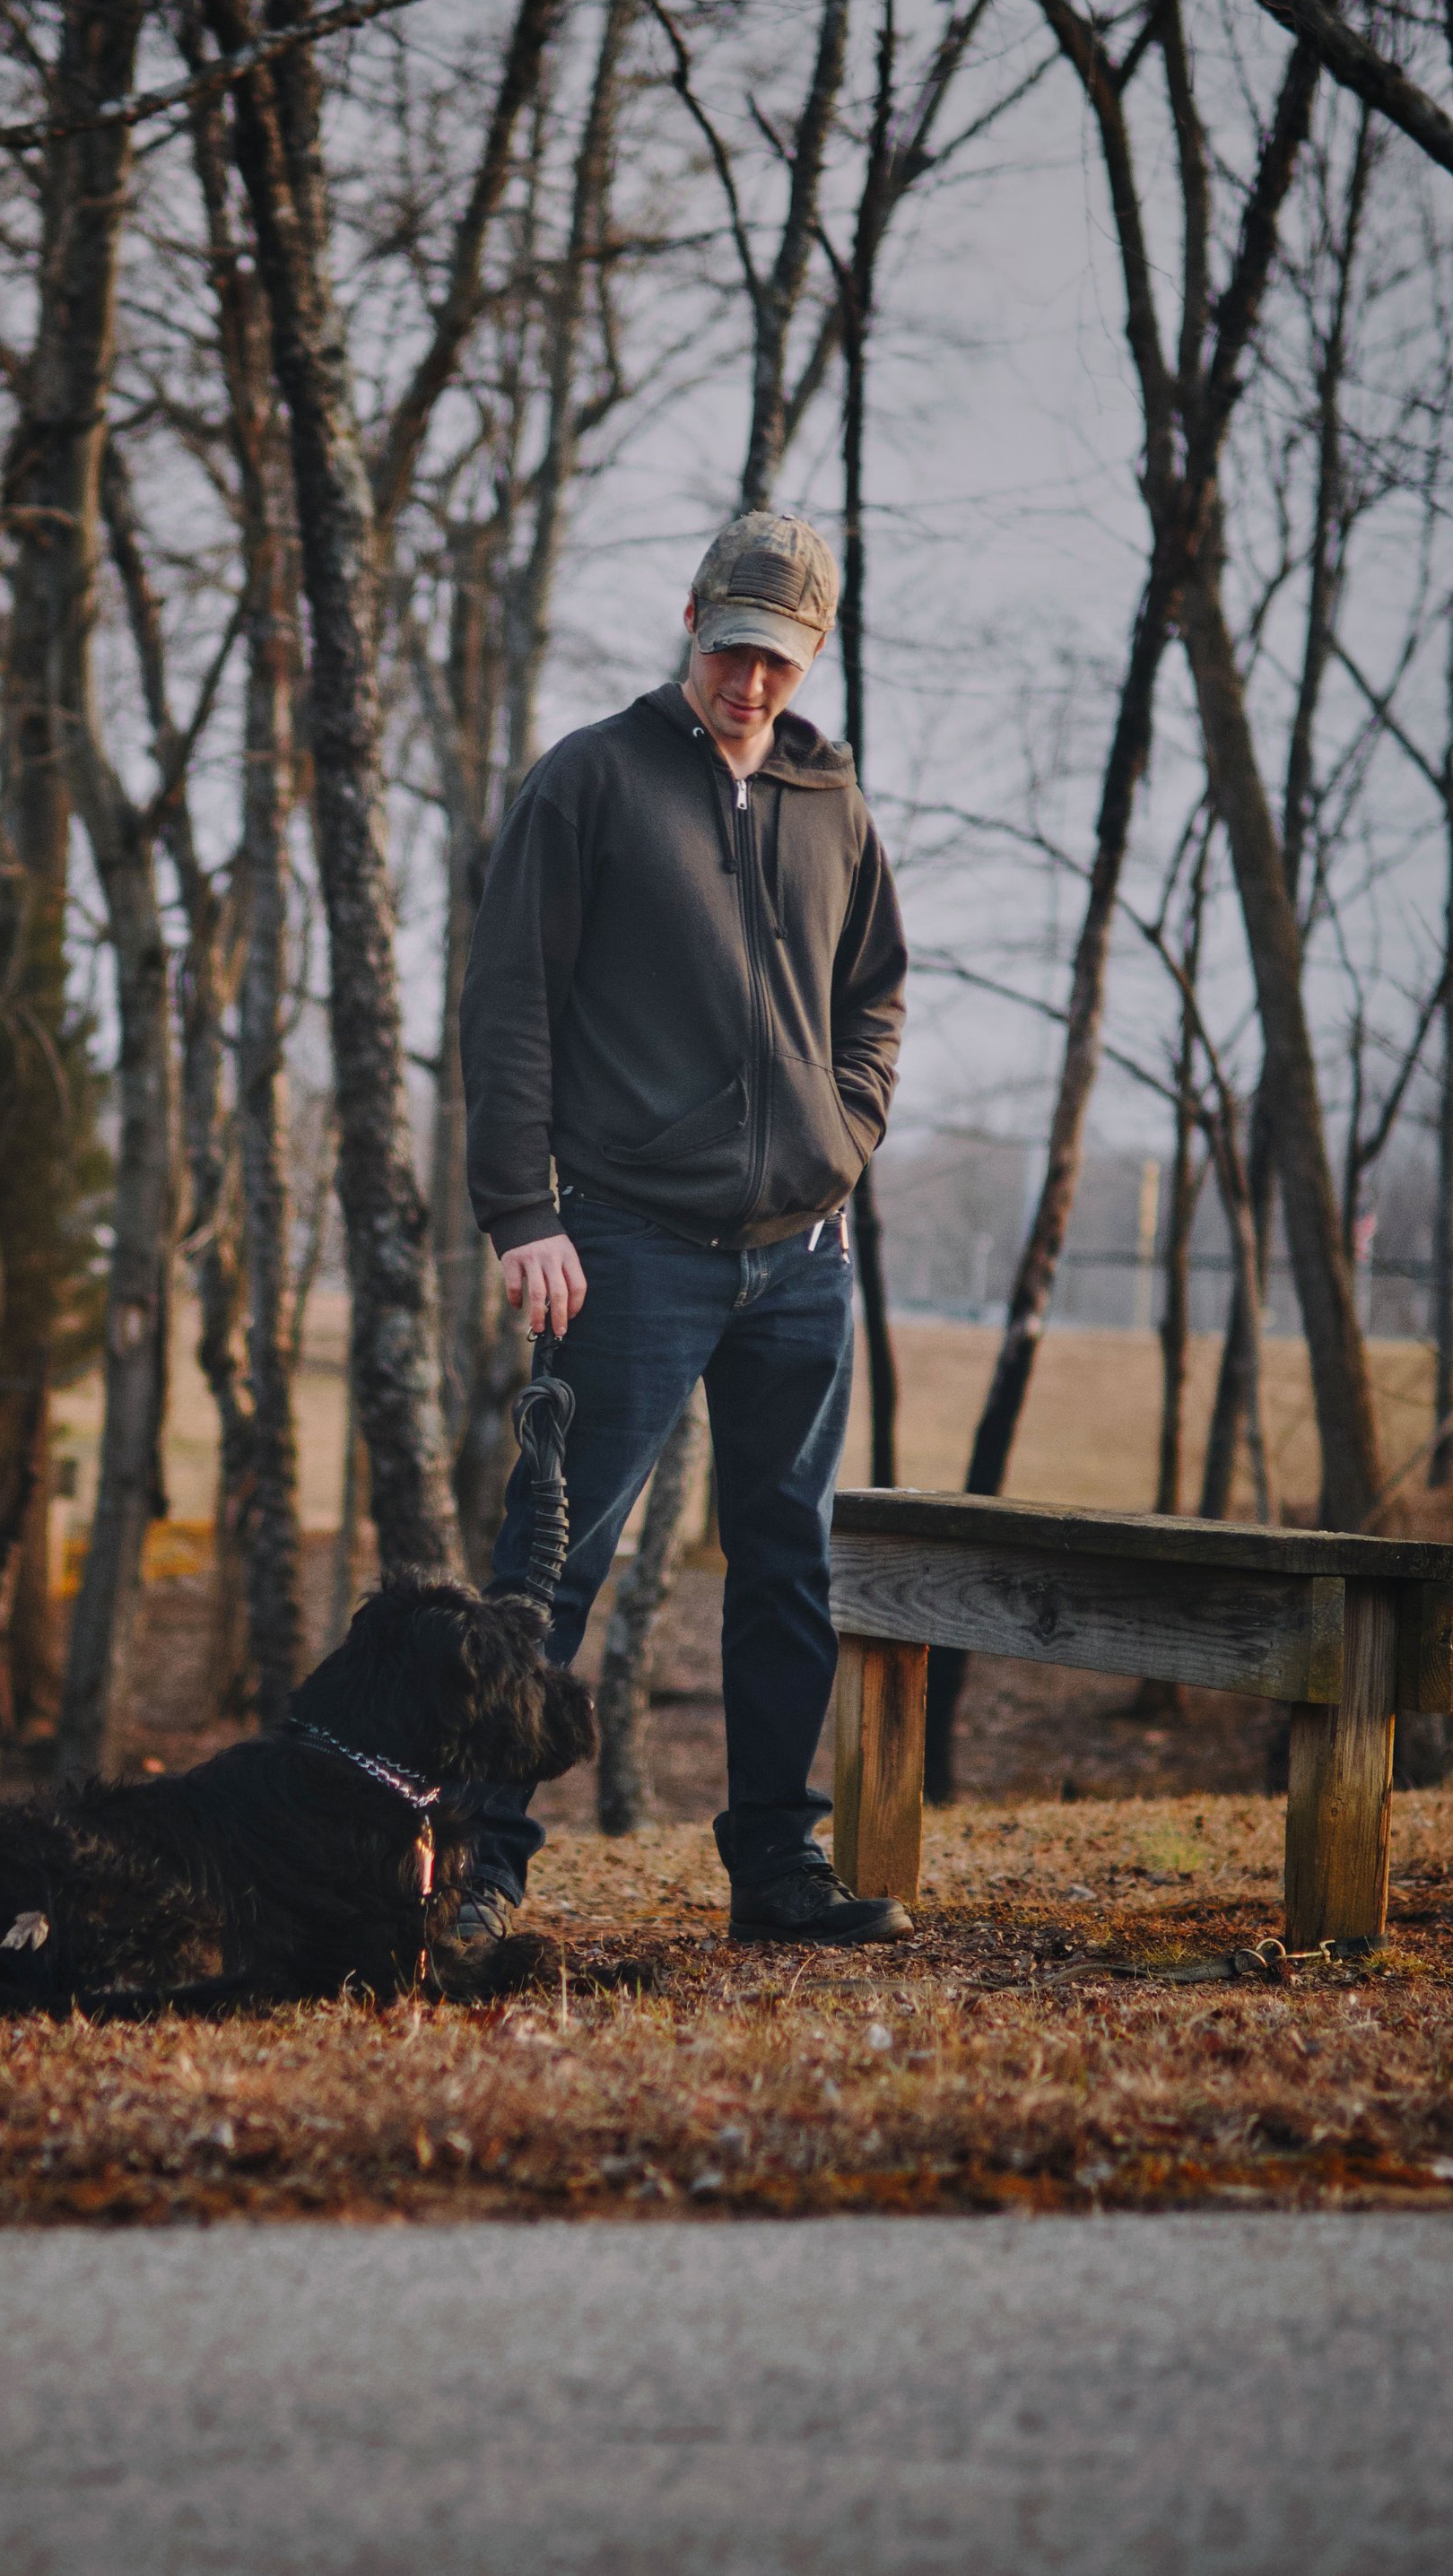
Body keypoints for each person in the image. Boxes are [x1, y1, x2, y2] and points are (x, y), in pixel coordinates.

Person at [457, 508, 910, 1945]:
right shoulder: (591, 782)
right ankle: (476, 1868)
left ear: (810, 654)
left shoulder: (832, 802)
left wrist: (845, 1136)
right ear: (694, 623)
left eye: (779, 660)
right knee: (556, 1556)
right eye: (732, 650)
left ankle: (778, 1869)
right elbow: (508, 1003)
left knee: (786, 1562)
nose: (752, 683)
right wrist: (522, 1210)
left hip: (800, 1260)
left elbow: (876, 990)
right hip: (630, 1246)